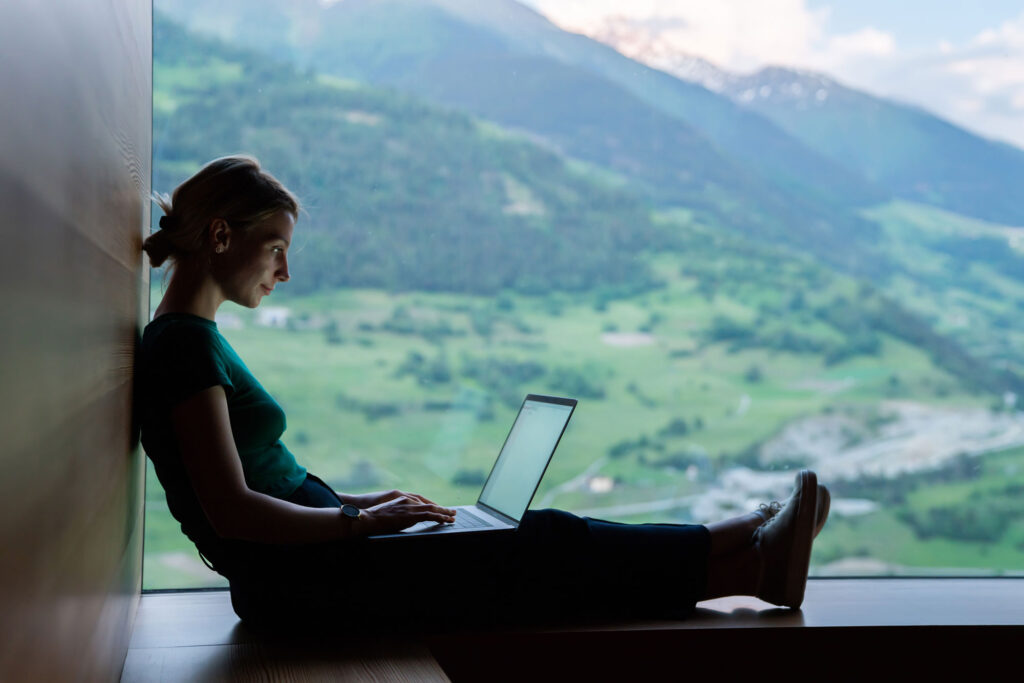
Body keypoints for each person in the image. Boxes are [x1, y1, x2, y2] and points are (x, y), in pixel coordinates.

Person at [137, 156, 830, 629]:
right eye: (276, 247)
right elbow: (230, 510)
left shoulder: (191, 339)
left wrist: (361, 502)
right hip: (302, 583)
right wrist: (356, 525)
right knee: (541, 546)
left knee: (524, 540)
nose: (284, 271)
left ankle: (749, 549)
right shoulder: (183, 346)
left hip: (316, 561)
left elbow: (266, 479)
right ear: (223, 235)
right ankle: (745, 554)